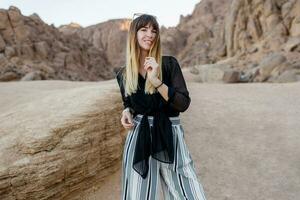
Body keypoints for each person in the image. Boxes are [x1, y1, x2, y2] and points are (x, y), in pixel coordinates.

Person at [115, 13, 207, 200]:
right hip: (139, 137)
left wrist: (156, 81)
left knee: (190, 194)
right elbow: (129, 102)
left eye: (154, 30)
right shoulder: (124, 74)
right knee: (137, 196)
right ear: (134, 34)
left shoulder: (168, 64)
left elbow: (183, 103)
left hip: (169, 133)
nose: (150, 34)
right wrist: (126, 110)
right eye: (144, 29)